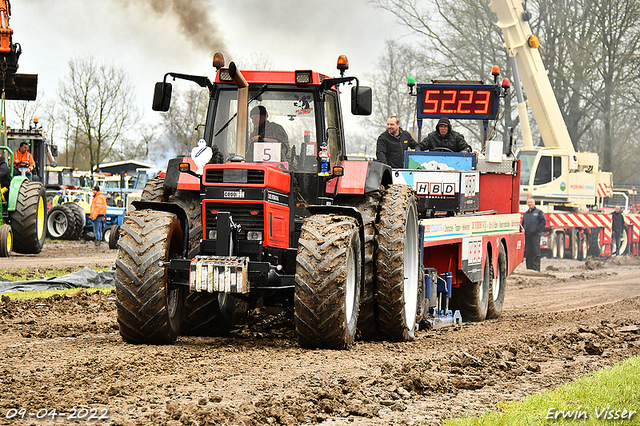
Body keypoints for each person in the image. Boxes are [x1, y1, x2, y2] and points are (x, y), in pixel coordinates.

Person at [521, 198, 546, 272]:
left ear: (534, 203)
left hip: (535, 235)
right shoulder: (526, 214)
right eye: (528, 202)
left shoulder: (539, 212)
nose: (530, 204)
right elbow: (523, 224)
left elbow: (543, 222)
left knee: (536, 251)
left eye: (531, 202)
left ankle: (536, 268)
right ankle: (529, 268)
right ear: (527, 204)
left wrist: (537, 230)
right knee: (528, 252)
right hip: (527, 236)